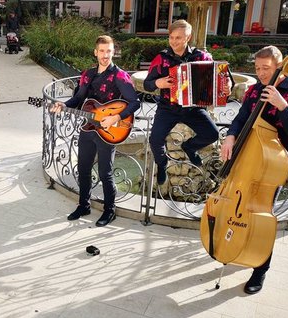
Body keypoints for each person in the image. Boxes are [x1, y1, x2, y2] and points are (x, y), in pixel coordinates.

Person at [220, 45, 288, 294]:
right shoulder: (254, 90)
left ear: (280, 66)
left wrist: (283, 106)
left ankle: (260, 269)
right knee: (237, 208)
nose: (260, 73)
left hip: (271, 164)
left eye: (266, 68)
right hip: (246, 157)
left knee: (261, 216)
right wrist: (230, 137)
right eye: (257, 68)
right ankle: (234, 247)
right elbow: (241, 117)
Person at [50, 35, 140, 226]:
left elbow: (135, 102)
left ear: (114, 51)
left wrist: (116, 117)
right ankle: (84, 205)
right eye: (102, 51)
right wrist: (63, 104)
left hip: (109, 130)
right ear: (95, 52)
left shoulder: (120, 76)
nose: (105, 55)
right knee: (83, 168)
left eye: (109, 51)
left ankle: (110, 210)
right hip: (88, 128)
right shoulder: (88, 74)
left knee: (105, 173)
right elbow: (79, 99)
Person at [144, 19, 230, 185]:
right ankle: (162, 164)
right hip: (167, 108)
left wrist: (228, 85)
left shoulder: (202, 57)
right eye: (171, 37)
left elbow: (223, 77)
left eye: (178, 38)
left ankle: (189, 147)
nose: (174, 41)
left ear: (188, 38)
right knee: (155, 139)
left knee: (213, 134)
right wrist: (158, 83)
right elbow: (148, 84)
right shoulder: (161, 58)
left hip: (193, 108)